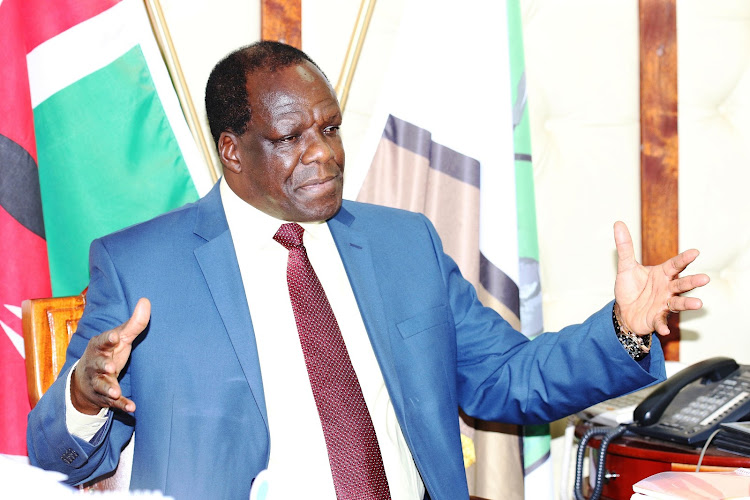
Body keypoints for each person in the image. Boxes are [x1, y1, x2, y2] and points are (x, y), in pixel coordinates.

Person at [27, 41, 709, 500]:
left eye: (329, 127)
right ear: (231, 151)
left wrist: (622, 328)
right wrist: (85, 398)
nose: (323, 154)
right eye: (292, 138)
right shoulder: (141, 264)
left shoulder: (402, 243)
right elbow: (58, 454)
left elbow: (507, 380)